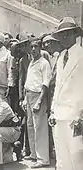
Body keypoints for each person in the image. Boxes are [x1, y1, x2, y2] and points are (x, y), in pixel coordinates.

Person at [49, 17, 83, 170]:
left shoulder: (81, 55)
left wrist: (81, 116)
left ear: (75, 35)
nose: (64, 37)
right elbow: (57, 86)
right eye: (61, 34)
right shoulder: (61, 56)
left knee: (77, 158)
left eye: (67, 34)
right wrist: (52, 110)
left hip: (74, 116)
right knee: (62, 160)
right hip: (59, 114)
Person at [23, 39, 51, 168]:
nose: (33, 49)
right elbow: (28, 82)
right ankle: (34, 154)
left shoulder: (44, 63)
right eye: (32, 47)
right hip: (28, 95)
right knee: (30, 126)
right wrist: (25, 99)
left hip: (38, 96)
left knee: (39, 128)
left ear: (40, 48)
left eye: (36, 46)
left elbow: (46, 83)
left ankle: (43, 159)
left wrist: (39, 101)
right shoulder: (31, 62)